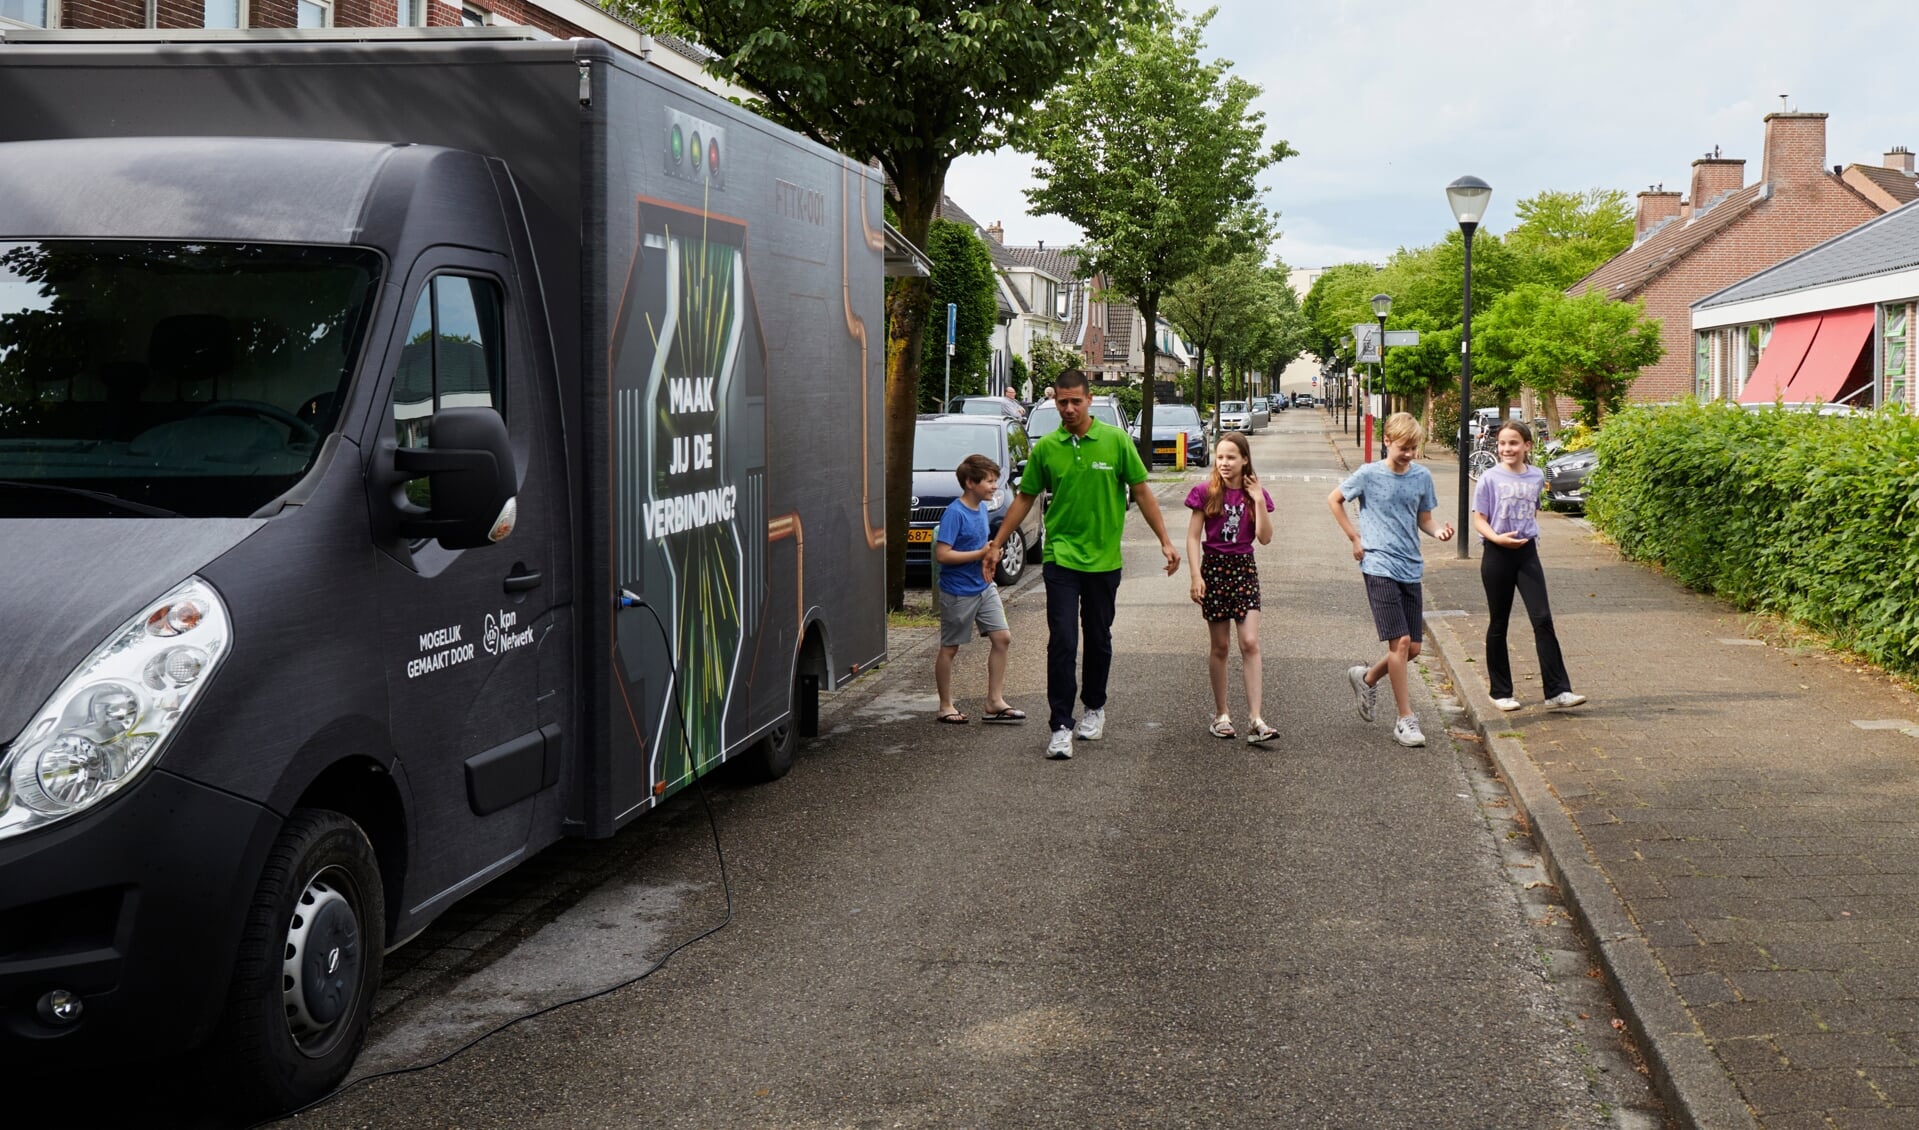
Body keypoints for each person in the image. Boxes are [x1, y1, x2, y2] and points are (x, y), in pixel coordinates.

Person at [984, 370, 1181, 760]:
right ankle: (1060, 725)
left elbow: (1141, 490)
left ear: (1089, 400)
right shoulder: (1047, 448)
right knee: (1062, 641)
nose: (1069, 408)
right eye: (1062, 402)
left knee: (1098, 637)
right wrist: (998, 543)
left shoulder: (1115, 441)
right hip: (1061, 556)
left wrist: (1166, 541)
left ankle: (1094, 706)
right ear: (1054, 402)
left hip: (1104, 559)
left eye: (1076, 401)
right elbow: (1025, 498)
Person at [1325, 411, 1455, 748]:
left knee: (1411, 648)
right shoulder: (1368, 474)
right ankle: (1405, 719)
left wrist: (1438, 530)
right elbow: (1334, 499)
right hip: (1378, 565)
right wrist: (1355, 538)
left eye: (1414, 448)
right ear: (1387, 441)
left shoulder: (1422, 477)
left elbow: (1424, 518)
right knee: (1398, 643)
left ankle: (1366, 678)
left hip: (1411, 566)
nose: (1409, 454)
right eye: (1404, 447)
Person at [1471, 421, 1587, 712]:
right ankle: (1500, 692)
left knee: (1542, 618)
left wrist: (1524, 533)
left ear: (1527, 446)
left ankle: (1557, 691)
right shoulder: (1489, 478)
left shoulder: (1536, 476)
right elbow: (1479, 519)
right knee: (1499, 622)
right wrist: (1497, 537)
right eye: (1502, 444)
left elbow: (1532, 508)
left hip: (1527, 554)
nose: (1507, 448)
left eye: (1513, 443)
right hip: (1497, 553)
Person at [1183, 432, 1277, 743]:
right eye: (1220, 457)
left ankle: (1256, 719)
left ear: (1245, 460)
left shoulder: (1254, 494)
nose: (1224, 463)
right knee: (1220, 646)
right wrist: (1196, 576)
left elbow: (1264, 538)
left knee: (1250, 642)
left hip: (1244, 569)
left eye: (1231, 457)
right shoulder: (1205, 492)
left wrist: (1260, 500)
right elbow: (1193, 537)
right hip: (1214, 570)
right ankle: (1221, 714)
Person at [932, 454, 1024, 725]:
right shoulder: (955, 513)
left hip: (984, 587)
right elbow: (943, 555)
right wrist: (979, 553)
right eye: (989, 481)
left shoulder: (982, 509)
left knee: (1002, 638)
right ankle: (945, 705)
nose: (994, 486)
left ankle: (994, 702)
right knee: (950, 648)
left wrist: (992, 553)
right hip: (957, 591)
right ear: (971, 483)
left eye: (995, 480)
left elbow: (983, 546)